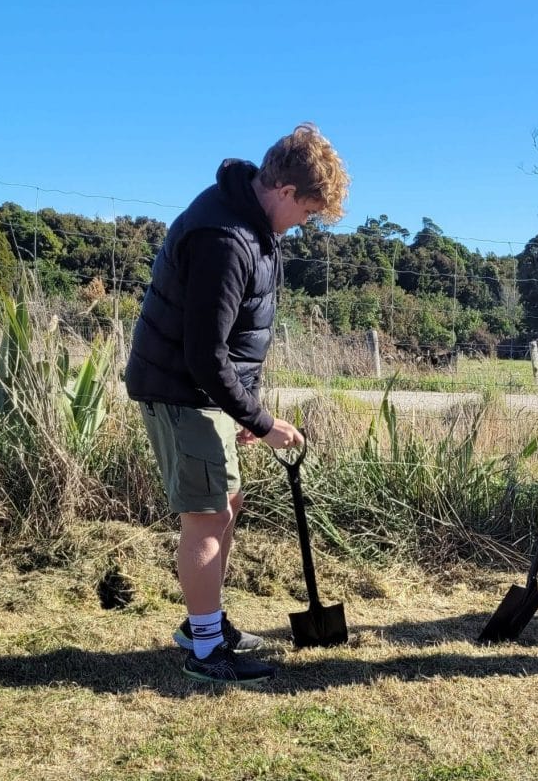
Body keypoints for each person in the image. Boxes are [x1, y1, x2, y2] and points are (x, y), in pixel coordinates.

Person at [125, 123, 350, 683]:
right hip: (183, 392)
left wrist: (244, 408)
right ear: (285, 191)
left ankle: (206, 623)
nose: (306, 224)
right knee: (206, 516)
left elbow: (232, 340)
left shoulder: (251, 226)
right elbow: (204, 353)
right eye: (309, 212)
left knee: (228, 500)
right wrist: (261, 419)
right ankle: (205, 648)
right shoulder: (225, 238)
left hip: (203, 394)